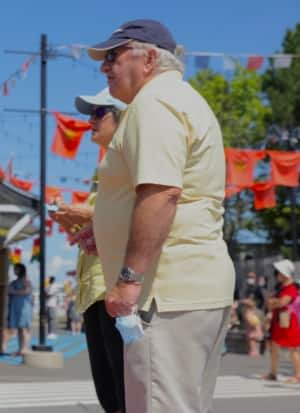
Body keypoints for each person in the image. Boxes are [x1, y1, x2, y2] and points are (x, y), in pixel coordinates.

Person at [87, 19, 235, 412]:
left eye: (113, 56)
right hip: (189, 286)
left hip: (165, 291)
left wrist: (128, 279)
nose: (105, 66)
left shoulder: (153, 103)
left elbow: (161, 192)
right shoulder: (180, 99)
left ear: (149, 58)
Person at [50, 87, 126, 413]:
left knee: (125, 391)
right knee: (109, 392)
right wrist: (71, 221)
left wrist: (82, 215)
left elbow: (135, 214)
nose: (90, 120)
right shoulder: (106, 164)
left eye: (98, 113)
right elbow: (102, 224)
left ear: (123, 118)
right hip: (95, 286)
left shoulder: (130, 158)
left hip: (116, 283)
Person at [262, 259, 300, 383]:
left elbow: (282, 302)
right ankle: (273, 373)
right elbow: (271, 303)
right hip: (279, 321)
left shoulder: (291, 288)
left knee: (292, 349)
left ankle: (299, 375)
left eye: (278, 272)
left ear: (284, 273)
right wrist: (274, 302)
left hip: (289, 322)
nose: (276, 275)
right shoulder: (282, 289)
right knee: (274, 348)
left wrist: (274, 302)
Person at [6, 263, 33, 356]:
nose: (14, 271)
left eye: (16, 269)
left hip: (24, 307)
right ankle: (21, 348)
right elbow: (8, 290)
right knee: (19, 328)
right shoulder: (14, 281)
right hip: (15, 306)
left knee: (25, 328)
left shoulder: (26, 280)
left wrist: (15, 292)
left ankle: (25, 348)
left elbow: (27, 291)